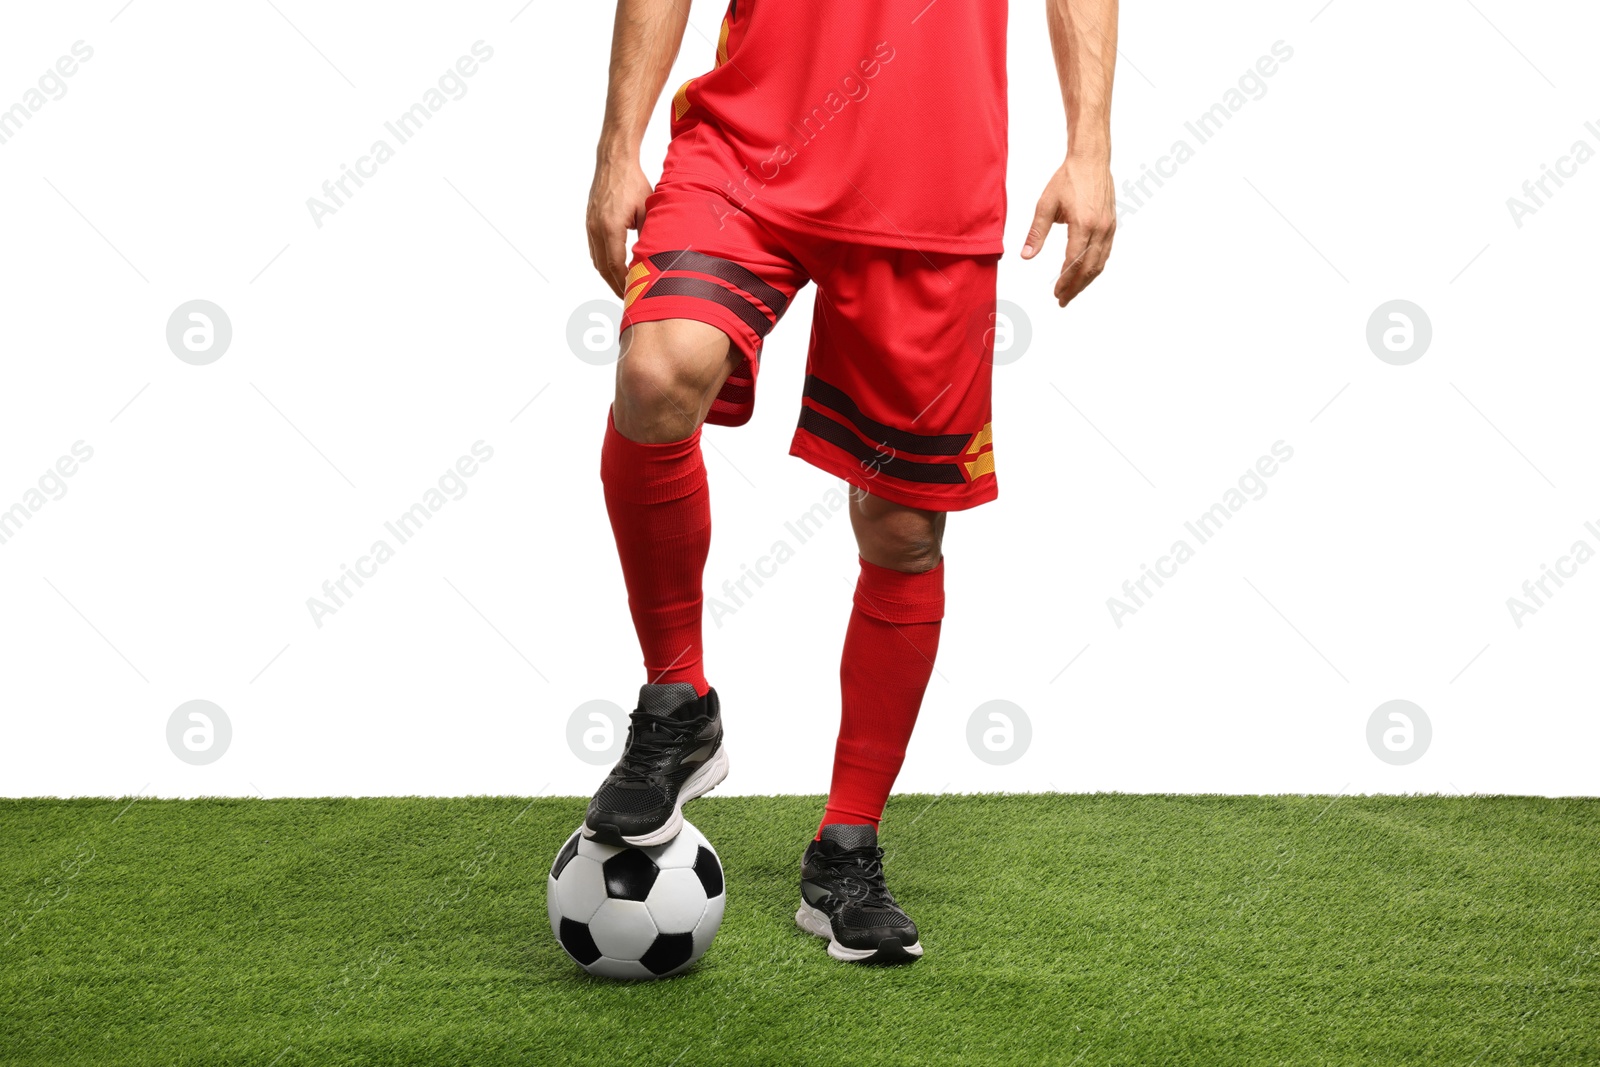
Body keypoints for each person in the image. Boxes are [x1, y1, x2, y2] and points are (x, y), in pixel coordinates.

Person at [582, 0, 1117, 964]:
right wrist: (619, 142)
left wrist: (1090, 144)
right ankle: (677, 703)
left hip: (933, 184)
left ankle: (845, 849)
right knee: (658, 374)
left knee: (903, 528)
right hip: (747, 150)